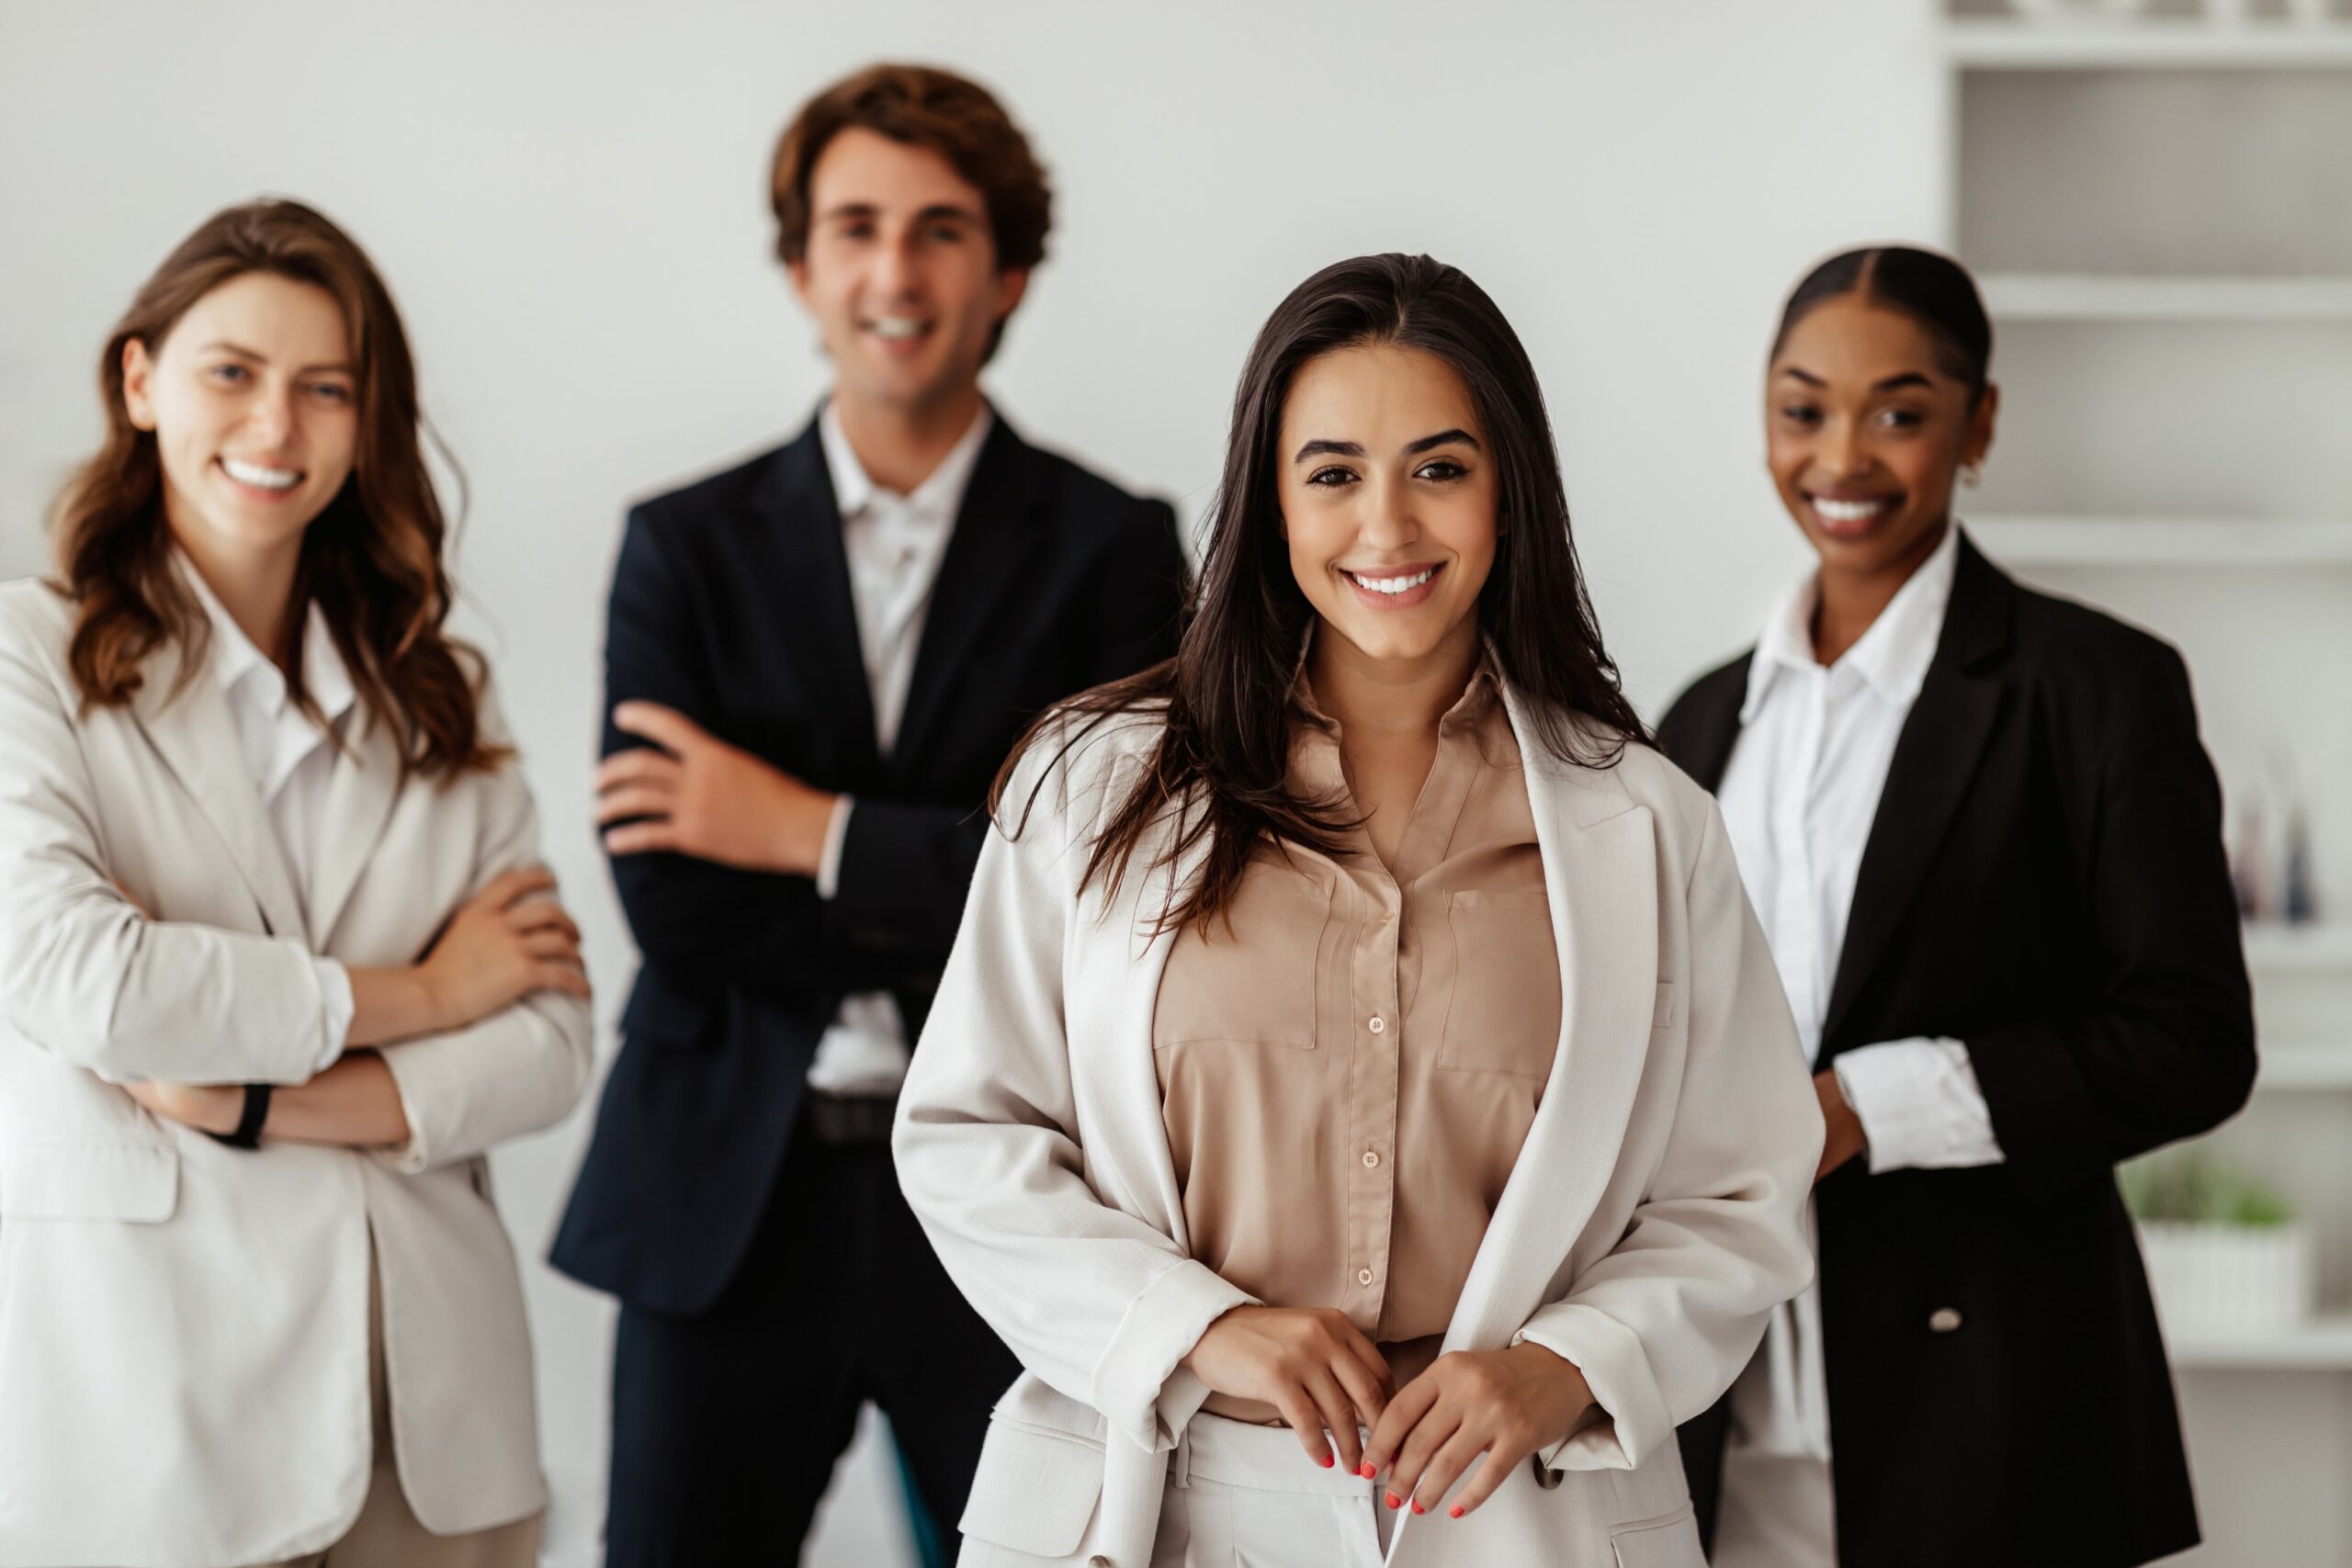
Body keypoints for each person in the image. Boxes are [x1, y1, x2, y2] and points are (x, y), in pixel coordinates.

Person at [894, 253, 1823, 1568]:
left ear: (1510, 491)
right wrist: (1195, 1326)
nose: (1387, 529)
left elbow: (1742, 1189)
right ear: (1271, 503)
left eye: (1439, 469)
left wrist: (1566, 1364)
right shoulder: (1089, 784)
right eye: (1332, 474)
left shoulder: (1653, 828)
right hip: (1170, 1502)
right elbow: (966, 1136)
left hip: (1513, 1513)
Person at [548, 63, 1190, 1562]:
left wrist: (802, 827)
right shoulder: (683, 547)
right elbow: (674, 907)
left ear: (1008, 270)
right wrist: (959, 868)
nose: (894, 271)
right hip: (729, 1200)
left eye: (941, 230)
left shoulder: (1116, 549)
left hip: (1021, 1200)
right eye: (856, 227)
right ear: (802, 267)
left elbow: (1111, 900)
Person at [0, 198, 594, 1567]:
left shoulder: (442, 695)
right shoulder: (31, 657)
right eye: (233, 374)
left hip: (431, 1425)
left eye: (326, 389)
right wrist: (434, 990)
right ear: (139, 382)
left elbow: (553, 1043)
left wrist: (258, 1097)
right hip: (152, 1413)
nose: (277, 429)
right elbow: (89, 983)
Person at [1661, 245, 2256, 1568]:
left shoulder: (2097, 689)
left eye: (1902, 411)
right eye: (1804, 409)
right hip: (1722, 1396)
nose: (1844, 458)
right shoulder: (1699, 721)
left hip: (1991, 1414)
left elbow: (2194, 1039)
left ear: (1978, 424)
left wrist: (1865, 1106)